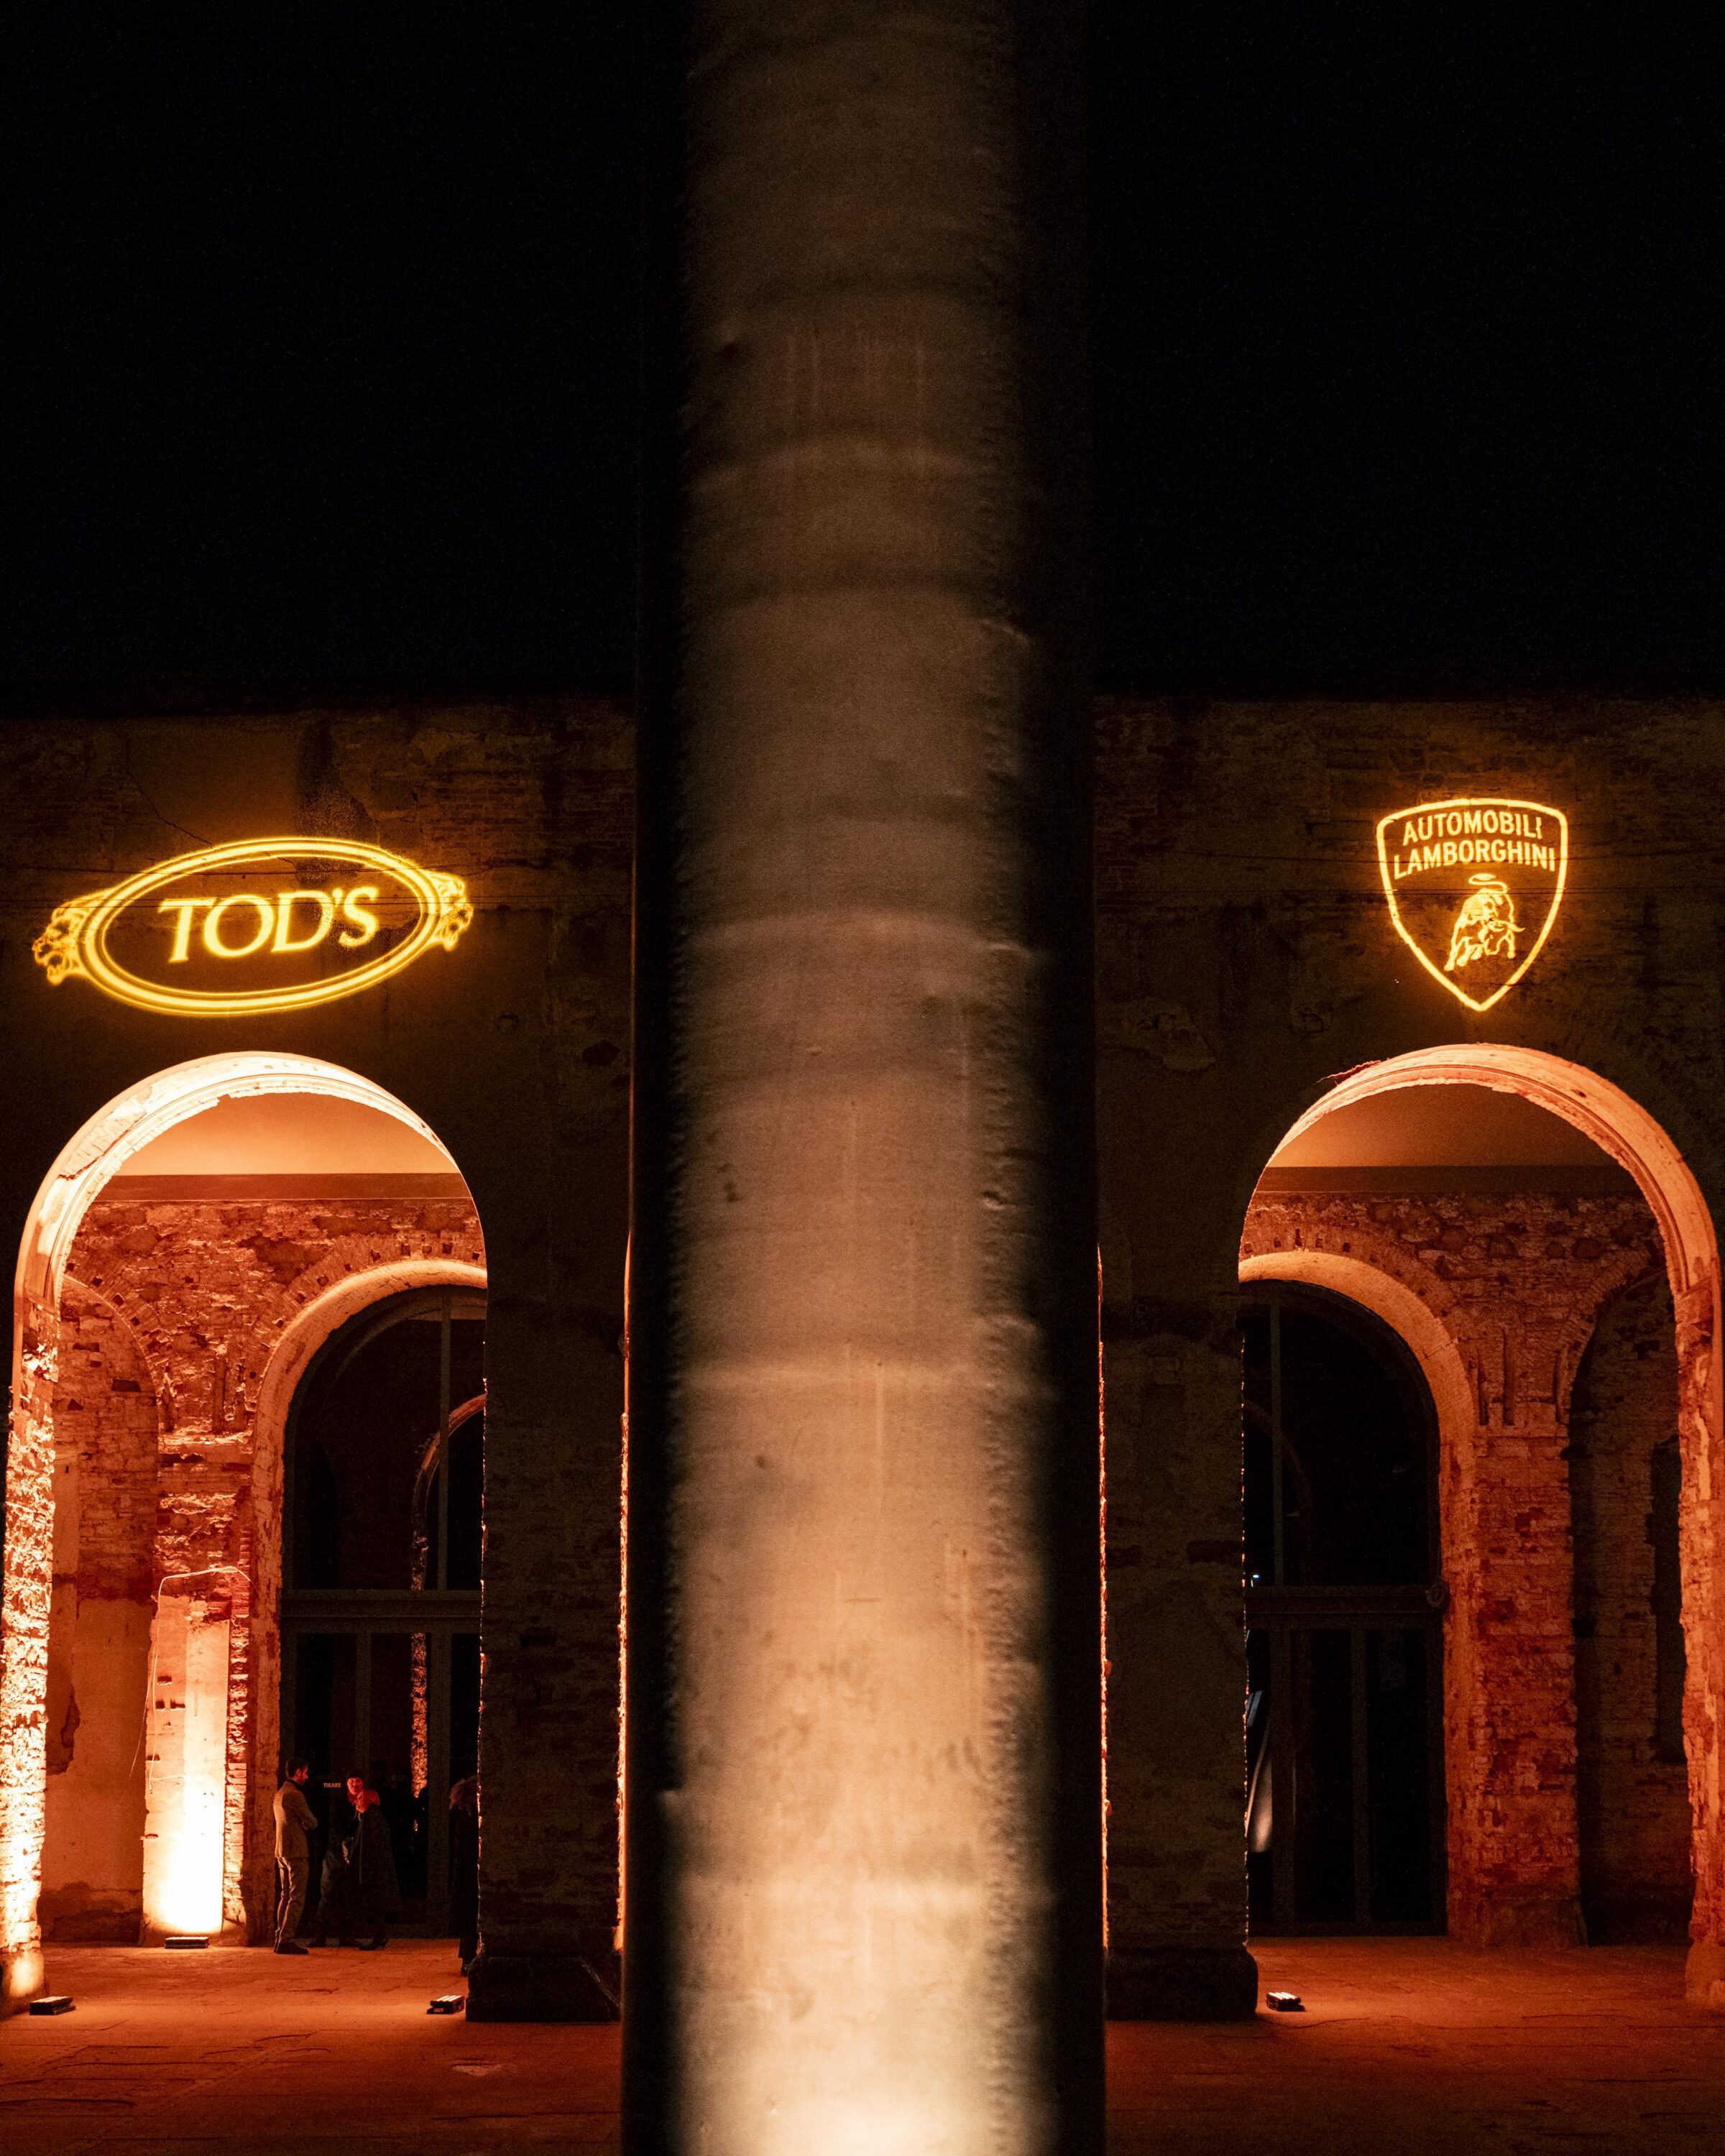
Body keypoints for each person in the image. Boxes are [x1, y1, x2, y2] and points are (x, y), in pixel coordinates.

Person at [310, 1774, 367, 1948]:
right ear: (346, 1783)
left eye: (358, 1781)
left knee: (348, 1896)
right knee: (328, 1894)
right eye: (351, 1781)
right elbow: (335, 1827)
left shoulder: (366, 1801)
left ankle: (346, 1935)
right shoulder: (339, 1802)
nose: (355, 1784)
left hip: (354, 1856)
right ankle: (320, 1935)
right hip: (335, 1855)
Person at [272, 1756, 317, 1954]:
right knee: (297, 1896)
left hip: (281, 1850)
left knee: (286, 1895)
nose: (307, 1776)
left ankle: (279, 1936)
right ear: (298, 1772)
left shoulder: (279, 1794)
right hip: (297, 1850)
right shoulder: (295, 1795)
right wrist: (306, 1825)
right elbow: (312, 1822)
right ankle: (286, 1939)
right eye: (306, 1772)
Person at [351, 1784, 401, 1950]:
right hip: (376, 1870)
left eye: (360, 1798)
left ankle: (379, 1936)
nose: (356, 1802)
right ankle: (379, 1935)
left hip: (374, 1871)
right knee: (376, 1903)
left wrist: (364, 1872)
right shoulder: (372, 1817)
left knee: (376, 1903)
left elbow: (369, 1847)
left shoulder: (370, 1818)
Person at [448, 1775, 479, 1971]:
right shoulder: (465, 1817)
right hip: (469, 1873)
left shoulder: (466, 1815)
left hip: (468, 1872)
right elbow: (463, 1848)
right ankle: (468, 1958)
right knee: (470, 1916)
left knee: (470, 1917)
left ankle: (468, 1958)